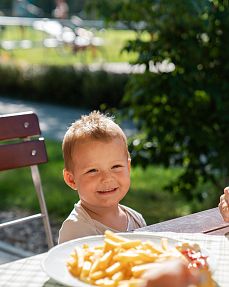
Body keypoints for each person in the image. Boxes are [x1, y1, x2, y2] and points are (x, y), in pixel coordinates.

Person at [58, 111, 146, 243]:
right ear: (71, 179)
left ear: (128, 167)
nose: (107, 178)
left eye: (116, 167)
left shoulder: (136, 219)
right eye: (93, 170)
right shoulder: (76, 230)